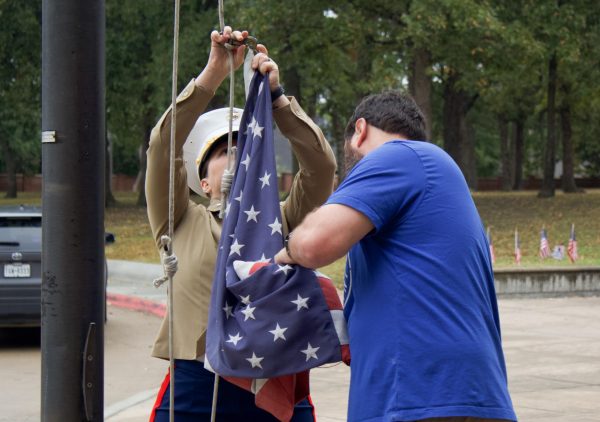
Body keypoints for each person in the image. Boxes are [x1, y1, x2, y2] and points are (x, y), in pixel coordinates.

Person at [275, 91, 517, 422]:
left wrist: (285, 250)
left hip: (422, 396)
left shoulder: (397, 157)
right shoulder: (430, 171)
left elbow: (316, 242)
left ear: (360, 130)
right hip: (443, 396)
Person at [145, 27, 336, 421]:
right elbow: (163, 148)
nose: (237, 153)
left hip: (273, 375)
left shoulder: (281, 218)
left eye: (245, 146)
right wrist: (214, 73)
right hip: (198, 380)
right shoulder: (180, 218)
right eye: (222, 149)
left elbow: (321, 169)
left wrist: (278, 100)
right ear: (202, 181)